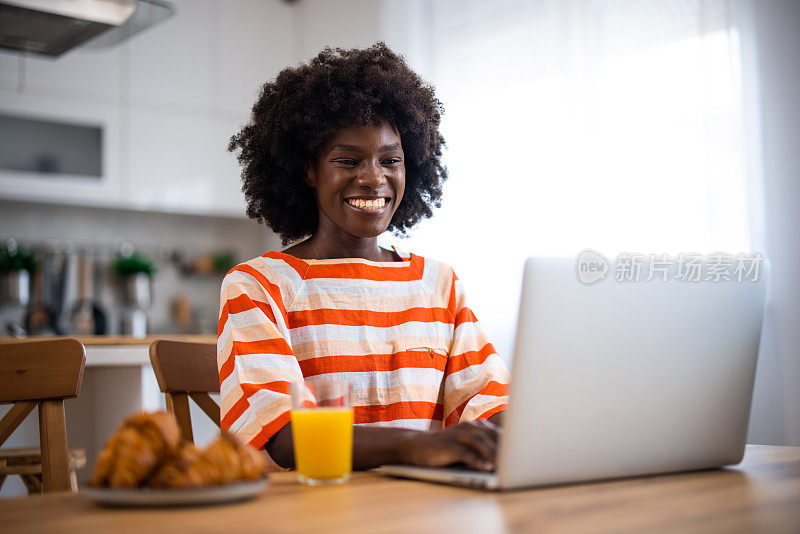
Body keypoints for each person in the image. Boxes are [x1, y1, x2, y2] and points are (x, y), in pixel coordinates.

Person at [221, 42, 509, 472]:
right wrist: (410, 447)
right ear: (308, 171)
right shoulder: (259, 286)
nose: (374, 178)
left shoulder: (440, 284)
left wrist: (537, 433)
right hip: (310, 511)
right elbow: (280, 433)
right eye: (348, 160)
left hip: (419, 510)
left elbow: (486, 407)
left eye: (390, 159)